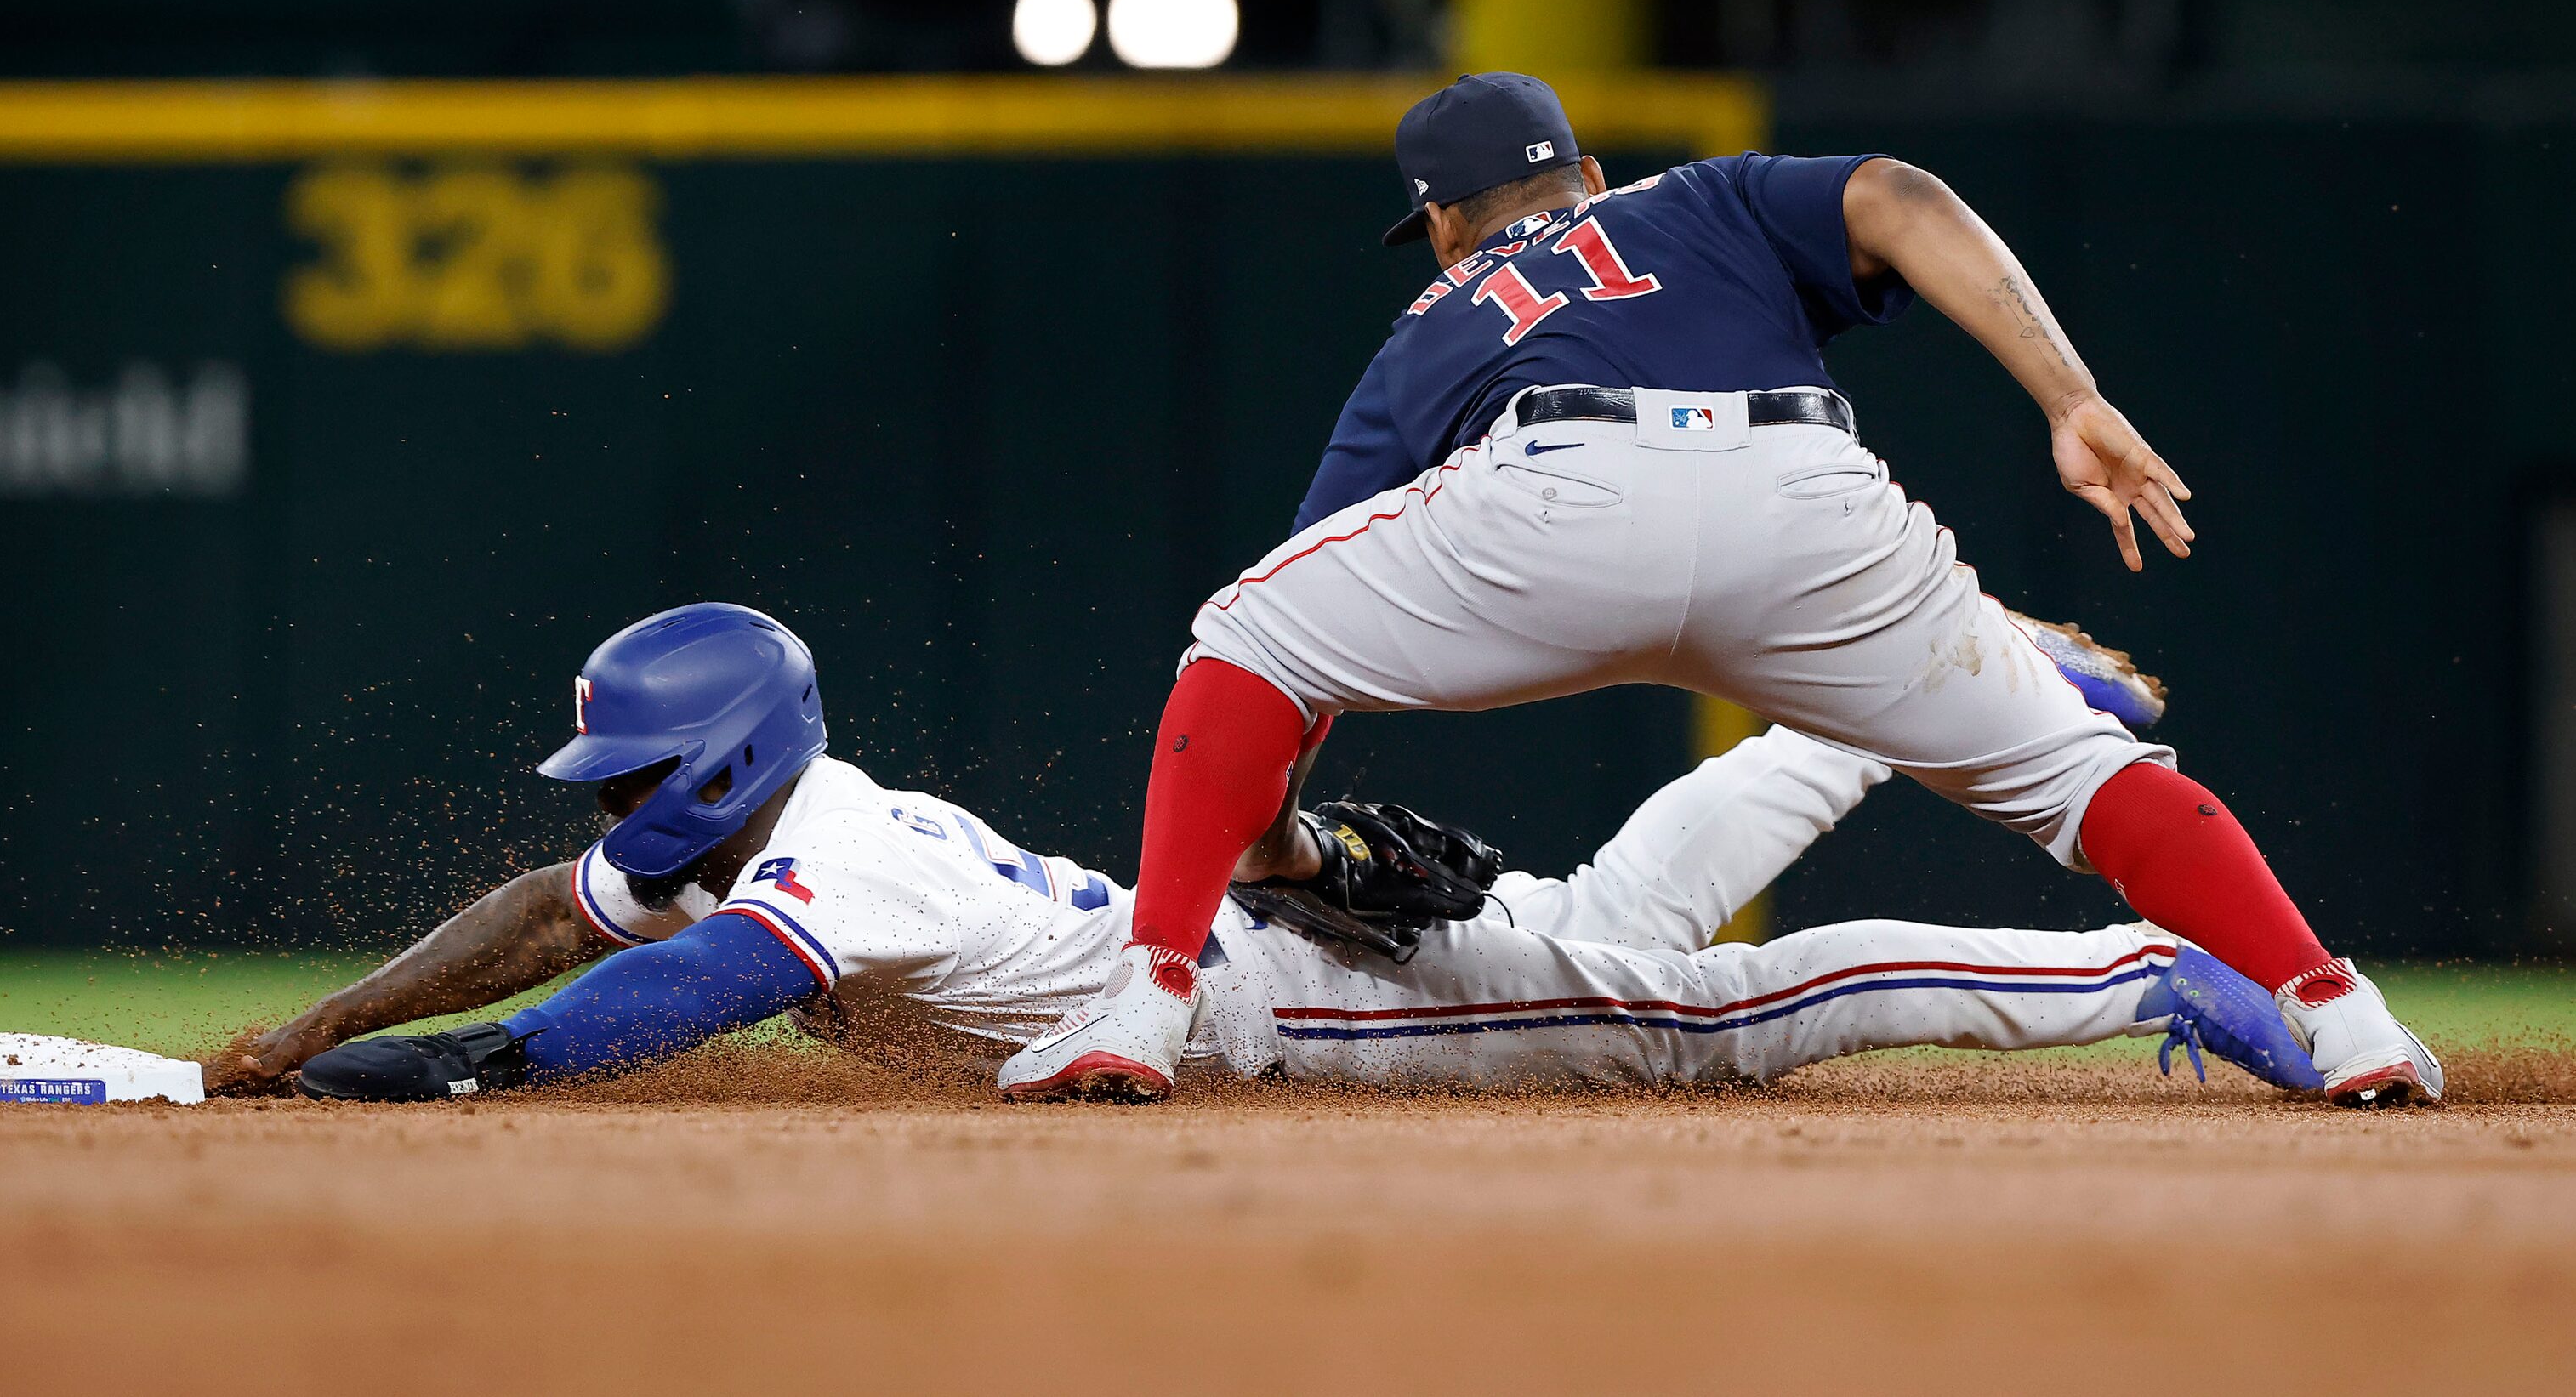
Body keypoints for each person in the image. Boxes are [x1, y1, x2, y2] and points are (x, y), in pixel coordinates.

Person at [997, 71, 2439, 1109]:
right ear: (1587, 180)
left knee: (1243, 632)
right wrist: (2069, 398)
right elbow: (1897, 193)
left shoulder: (1432, 318)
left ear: (1442, 223)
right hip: (1806, 503)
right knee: (2085, 782)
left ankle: (1145, 1002)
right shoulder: (1707, 198)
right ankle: (2342, 1011)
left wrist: (1270, 844)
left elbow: (1295, 640)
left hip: (1550, 489)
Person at [217, 601, 2321, 1105]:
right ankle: (1955, 678)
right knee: (1623, 922)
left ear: (719, 763)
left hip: (1296, 1007)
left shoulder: (826, 874)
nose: (601, 819)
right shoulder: (769, 821)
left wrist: (457, 1071)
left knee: (1715, 1013)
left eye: (619, 781)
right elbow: (544, 915)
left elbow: (666, 994)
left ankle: (2146, 974)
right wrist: (326, 1022)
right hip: (1257, 960)